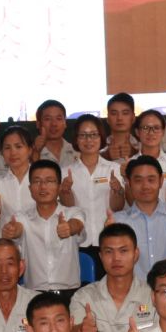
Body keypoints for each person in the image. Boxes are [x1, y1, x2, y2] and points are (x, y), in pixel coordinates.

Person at [4, 160, 86, 300]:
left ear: (59, 186)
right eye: (37, 181)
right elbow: (18, 228)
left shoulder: (73, 213)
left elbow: (77, 224)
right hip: (33, 296)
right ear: (30, 188)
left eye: (49, 181)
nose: (42, 186)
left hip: (69, 294)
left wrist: (69, 228)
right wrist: (12, 231)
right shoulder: (21, 217)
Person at [113, 156, 166, 275]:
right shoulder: (118, 221)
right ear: (129, 183)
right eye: (138, 181)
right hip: (134, 286)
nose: (145, 186)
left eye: (151, 180)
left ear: (161, 181)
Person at [64, 115, 125, 250]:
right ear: (76, 139)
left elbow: (118, 208)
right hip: (77, 242)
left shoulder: (114, 169)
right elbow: (67, 209)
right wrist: (65, 192)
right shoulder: (65, 172)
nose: (88, 140)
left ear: (101, 137)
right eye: (83, 135)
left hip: (108, 241)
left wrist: (118, 191)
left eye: (93, 134)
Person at [0, 126, 37, 238]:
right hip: (7, 242)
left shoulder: (41, 179)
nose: (13, 152)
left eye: (18, 146)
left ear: (30, 150)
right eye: (7, 148)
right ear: (2, 153)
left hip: (36, 240)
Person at [33, 99, 78, 170]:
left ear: (65, 123)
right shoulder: (29, 154)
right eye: (48, 119)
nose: (54, 124)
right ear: (38, 124)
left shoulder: (77, 151)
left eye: (58, 118)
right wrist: (36, 153)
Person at [103, 93, 138, 161]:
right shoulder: (96, 147)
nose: (119, 118)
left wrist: (135, 152)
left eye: (125, 113)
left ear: (133, 118)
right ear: (107, 118)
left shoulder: (143, 147)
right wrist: (105, 156)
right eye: (114, 113)